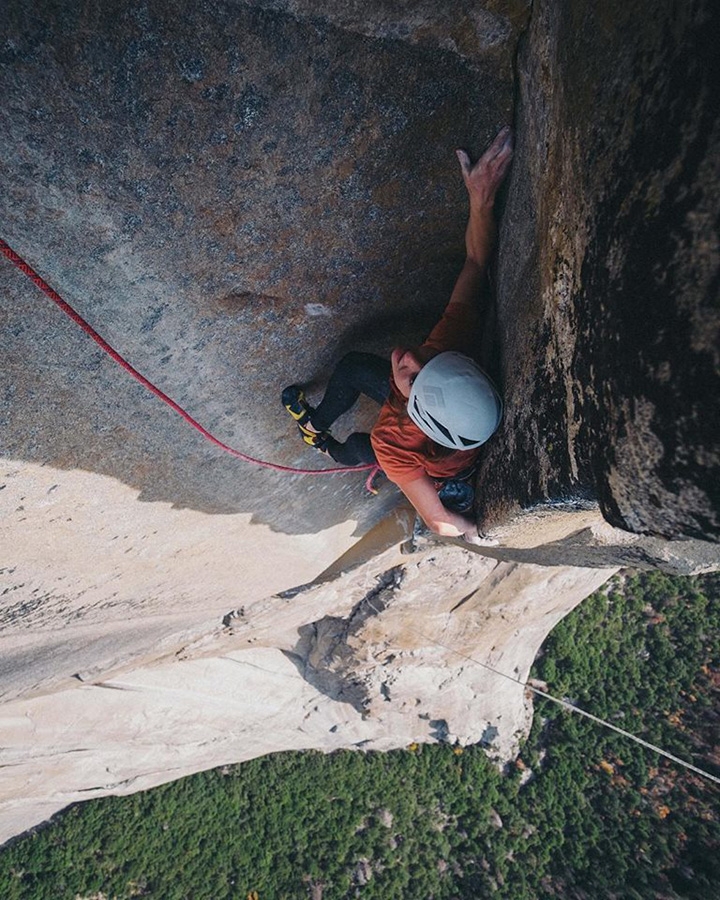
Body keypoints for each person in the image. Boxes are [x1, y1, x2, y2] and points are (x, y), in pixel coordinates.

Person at [283, 125, 514, 544]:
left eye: (410, 374)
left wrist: (476, 532)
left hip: (433, 461)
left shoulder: (394, 441)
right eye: (425, 356)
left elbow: (442, 522)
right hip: (437, 416)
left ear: (413, 407)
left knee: (359, 445)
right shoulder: (449, 351)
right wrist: (482, 199)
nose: (405, 354)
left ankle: (321, 445)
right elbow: (476, 263)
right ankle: (316, 420)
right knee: (354, 365)